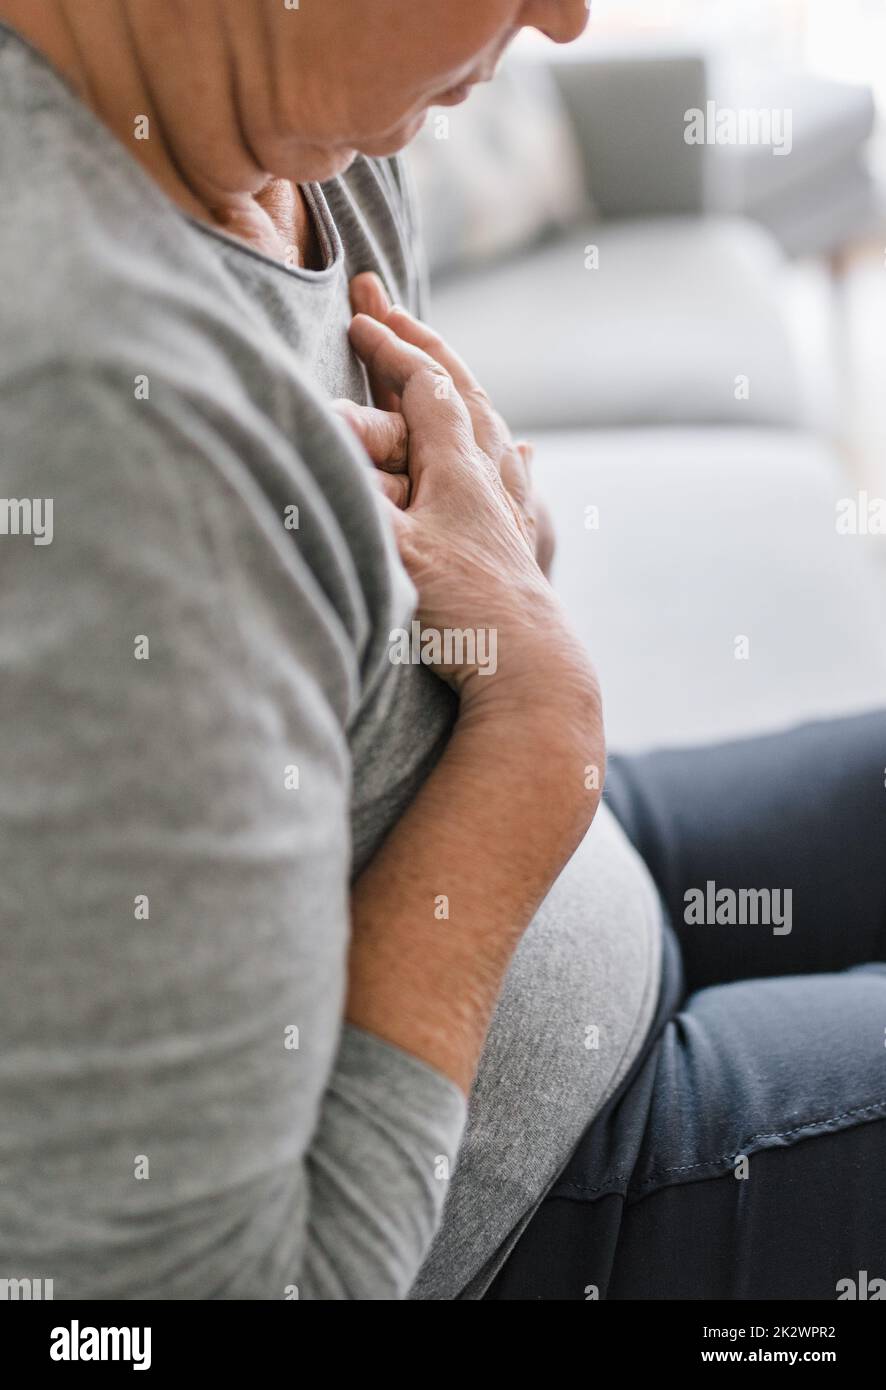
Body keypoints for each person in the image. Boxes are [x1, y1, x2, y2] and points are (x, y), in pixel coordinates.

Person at [0, 0, 882, 1302]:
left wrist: (505, 581)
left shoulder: (304, 134)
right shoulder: (95, 423)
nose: (567, 19)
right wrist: (540, 731)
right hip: (535, 1205)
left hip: (581, 886)